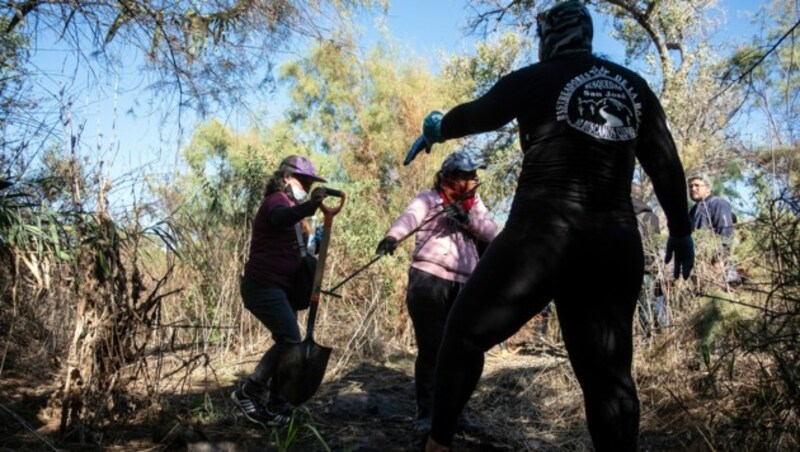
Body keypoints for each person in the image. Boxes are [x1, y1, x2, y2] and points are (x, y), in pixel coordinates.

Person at [403, 2, 695, 451]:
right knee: (608, 377)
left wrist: (440, 129)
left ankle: (437, 443)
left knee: (463, 333)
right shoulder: (634, 87)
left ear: (547, 38)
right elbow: (666, 164)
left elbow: (480, 113)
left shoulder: (536, 78)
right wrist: (680, 227)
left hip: (540, 235)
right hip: (613, 244)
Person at [376, 150, 499, 434]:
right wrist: (392, 237)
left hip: (465, 286)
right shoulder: (429, 198)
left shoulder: (474, 204)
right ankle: (428, 414)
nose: (473, 180)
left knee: (465, 353)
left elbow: (494, 233)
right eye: (467, 175)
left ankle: (457, 413)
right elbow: (410, 217)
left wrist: (466, 218)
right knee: (433, 349)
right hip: (428, 281)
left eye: (474, 175)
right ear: (449, 177)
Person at [233, 155, 331, 426]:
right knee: (291, 340)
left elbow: (299, 253)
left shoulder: (297, 212)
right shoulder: (277, 200)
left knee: (287, 341)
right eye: (304, 181)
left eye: (310, 183)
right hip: (262, 285)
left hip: (281, 287)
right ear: (286, 178)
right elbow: (278, 219)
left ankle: (277, 404)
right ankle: (248, 392)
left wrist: (316, 245)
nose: (307, 187)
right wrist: (310, 206)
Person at [687, 174, 740, 284]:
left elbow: (726, 233)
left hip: (717, 265)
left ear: (708, 188)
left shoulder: (718, 204)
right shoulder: (694, 210)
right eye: (690, 186)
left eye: (697, 185)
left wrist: (719, 259)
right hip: (700, 265)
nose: (692, 189)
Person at [633, 191, 667, 338]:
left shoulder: (621, 215)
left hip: (631, 267)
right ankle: (658, 339)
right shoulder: (650, 216)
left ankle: (648, 340)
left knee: (643, 308)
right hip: (649, 269)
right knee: (653, 306)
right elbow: (656, 246)